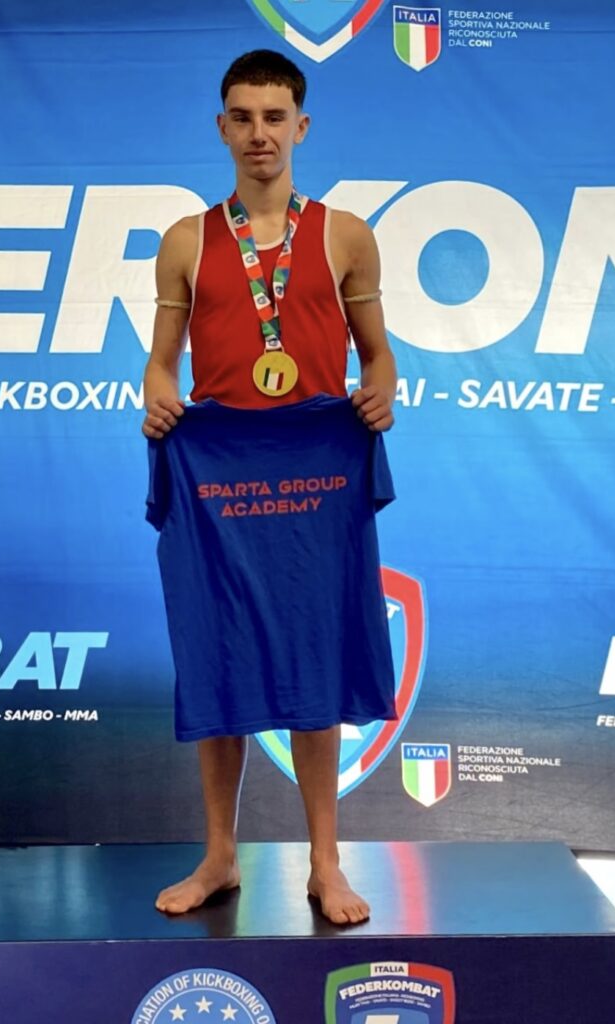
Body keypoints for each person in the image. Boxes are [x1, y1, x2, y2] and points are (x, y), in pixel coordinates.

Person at [141, 49, 397, 926]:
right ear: (222, 127)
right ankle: (219, 856)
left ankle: (326, 863)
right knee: (219, 663)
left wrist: (380, 394)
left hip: (315, 484)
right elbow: (161, 364)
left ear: (301, 126)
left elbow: (379, 357)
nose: (260, 133)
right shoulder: (186, 240)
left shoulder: (344, 234)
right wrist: (158, 395)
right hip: (222, 489)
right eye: (243, 117)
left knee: (312, 664)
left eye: (274, 117)